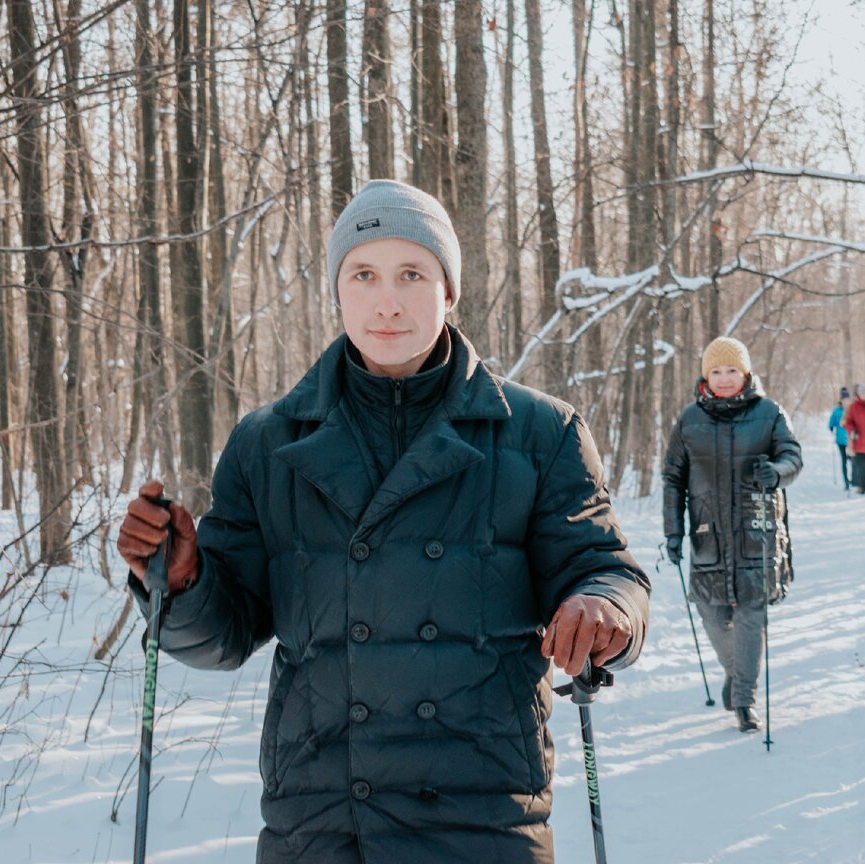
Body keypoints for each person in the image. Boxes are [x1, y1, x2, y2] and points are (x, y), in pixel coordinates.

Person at [116, 180, 650, 863]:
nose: (387, 301)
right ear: (338, 290)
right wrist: (184, 581)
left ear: (448, 290)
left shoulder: (541, 434)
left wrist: (605, 607)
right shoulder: (267, 444)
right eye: (363, 275)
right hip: (320, 821)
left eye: (412, 274)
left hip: (481, 818)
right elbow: (220, 639)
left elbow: (604, 568)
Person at [662, 337, 802, 733]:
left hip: (756, 534)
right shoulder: (690, 420)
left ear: (746, 374)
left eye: (732, 371)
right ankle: (736, 671)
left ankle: (745, 700)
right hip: (708, 535)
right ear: (707, 375)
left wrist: (777, 472)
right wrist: (673, 532)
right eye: (717, 371)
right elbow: (673, 478)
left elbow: (793, 456)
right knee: (712, 612)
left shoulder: (770, 412)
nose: (725, 379)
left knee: (750, 615)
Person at [828, 386, 851, 491]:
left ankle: (854, 480)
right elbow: (831, 422)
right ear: (841, 400)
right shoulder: (836, 410)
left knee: (853, 460)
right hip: (841, 440)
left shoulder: (852, 409)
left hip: (851, 440)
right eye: (844, 399)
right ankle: (846, 482)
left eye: (847, 399)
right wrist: (831, 427)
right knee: (844, 461)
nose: (845, 401)